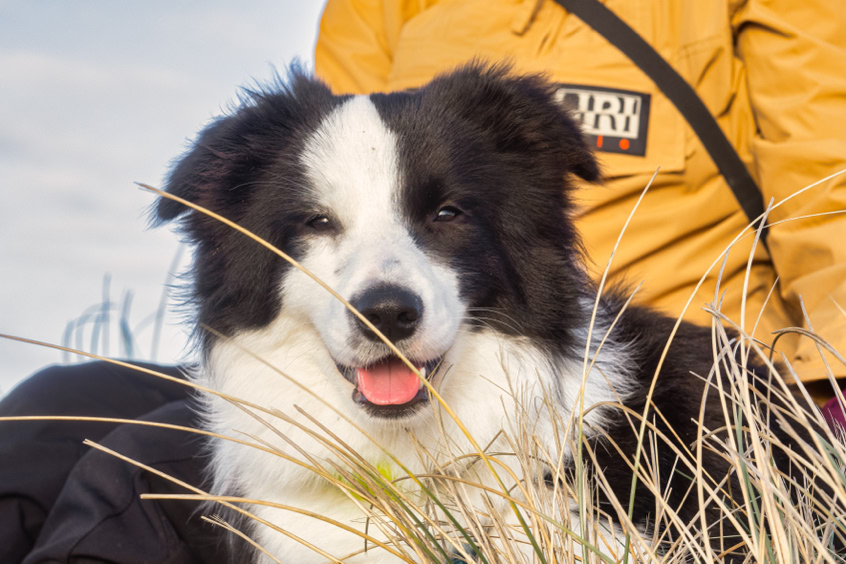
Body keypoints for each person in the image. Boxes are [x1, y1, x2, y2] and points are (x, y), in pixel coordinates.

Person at [3, 1, 845, 561]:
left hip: (618, 371)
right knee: (41, 416)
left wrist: (834, 381)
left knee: (128, 476)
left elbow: (830, 182)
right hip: (348, 360)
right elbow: (346, 147)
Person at [314, 0, 846, 393]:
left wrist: (831, 389)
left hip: (694, 403)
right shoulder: (378, 10)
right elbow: (335, 189)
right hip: (445, 399)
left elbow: (826, 186)